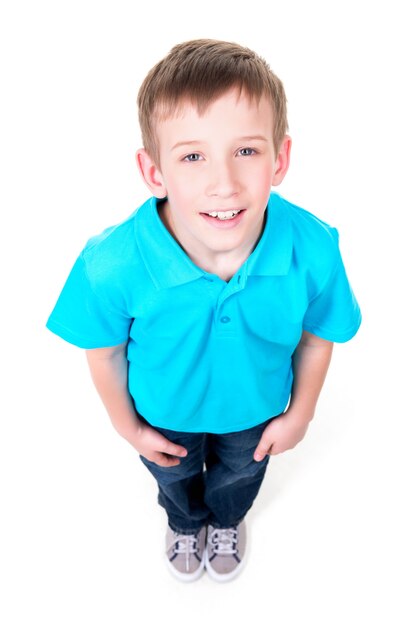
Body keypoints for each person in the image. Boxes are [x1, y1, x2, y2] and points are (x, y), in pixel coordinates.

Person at [46, 39, 361, 583]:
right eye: (193, 156)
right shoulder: (112, 263)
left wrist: (301, 413)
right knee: (174, 480)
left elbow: (316, 337)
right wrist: (127, 428)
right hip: (162, 416)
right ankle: (185, 520)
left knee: (239, 477)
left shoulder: (313, 249)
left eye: (246, 151)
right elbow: (105, 353)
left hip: (256, 413)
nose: (224, 182)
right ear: (154, 171)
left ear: (280, 158)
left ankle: (227, 518)